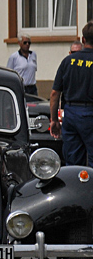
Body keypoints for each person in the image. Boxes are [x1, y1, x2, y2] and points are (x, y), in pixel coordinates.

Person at [50, 22, 93, 166]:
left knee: (73, 162)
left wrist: (54, 120)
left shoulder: (67, 62)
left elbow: (55, 93)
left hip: (71, 113)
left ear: (83, 40)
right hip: (90, 114)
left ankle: (75, 187)